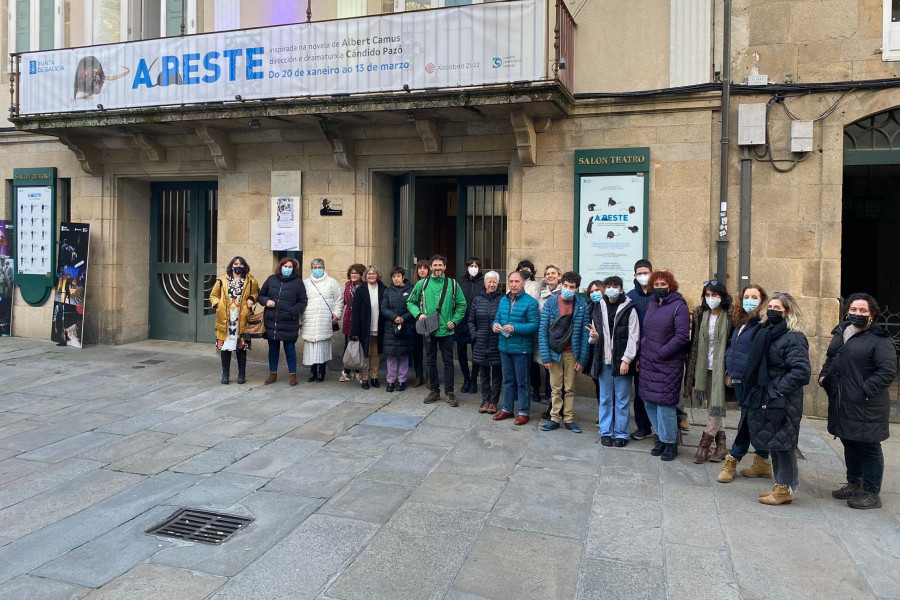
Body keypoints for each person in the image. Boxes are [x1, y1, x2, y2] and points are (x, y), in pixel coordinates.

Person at [820, 293, 897, 510]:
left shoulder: (880, 339)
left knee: (869, 447)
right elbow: (832, 357)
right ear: (847, 311)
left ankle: (872, 493)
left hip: (866, 404)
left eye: (863, 311)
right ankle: (855, 483)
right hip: (842, 401)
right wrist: (823, 376)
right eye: (853, 310)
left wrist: (862, 391)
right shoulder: (841, 332)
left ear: (872, 314)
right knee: (849, 441)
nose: (857, 314)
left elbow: (887, 371)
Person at [742, 292, 810, 506]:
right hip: (768, 394)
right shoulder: (766, 332)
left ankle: (786, 488)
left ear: (787, 312)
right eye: (770, 306)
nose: (772, 311)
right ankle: (780, 486)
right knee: (775, 441)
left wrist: (777, 390)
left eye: (777, 308)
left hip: (783, 398)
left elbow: (801, 371)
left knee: (784, 443)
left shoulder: (794, 337)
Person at [718, 285, 773, 483]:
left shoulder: (764, 323)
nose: (750, 300)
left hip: (754, 380)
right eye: (746, 296)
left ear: (762, 300)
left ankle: (734, 458)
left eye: (754, 297)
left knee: (749, 418)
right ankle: (762, 460)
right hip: (739, 377)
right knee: (753, 417)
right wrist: (729, 370)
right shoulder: (739, 321)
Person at [638, 270, 690, 461]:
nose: (660, 288)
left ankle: (670, 442)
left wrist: (663, 352)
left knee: (665, 404)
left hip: (667, 363)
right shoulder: (653, 304)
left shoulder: (679, 306)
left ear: (671, 285)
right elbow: (646, 332)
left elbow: (683, 336)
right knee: (649, 402)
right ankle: (659, 437)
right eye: (657, 285)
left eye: (663, 284)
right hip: (648, 361)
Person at [684, 280, 734, 464]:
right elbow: (695, 341)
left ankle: (704, 445)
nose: (711, 298)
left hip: (722, 366)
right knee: (711, 406)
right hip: (704, 365)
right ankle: (721, 446)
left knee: (715, 406)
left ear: (722, 296)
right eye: (708, 295)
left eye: (715, 295)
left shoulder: (731, 315)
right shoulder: (700, 313)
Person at [407, 255, 467, 406]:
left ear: (445, 267)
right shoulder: (422, 283)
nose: (438, 268)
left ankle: (449, 392)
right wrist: (419, 314)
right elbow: (410, 302)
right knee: (430, 361)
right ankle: (434, 390)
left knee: (448, 362)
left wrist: (454, 320)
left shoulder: (453, 284)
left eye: (441, 265)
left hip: (447, 330)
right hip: (429, 330)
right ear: (431, 267)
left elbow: (462, 305)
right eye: (435, 265)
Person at [587, 275, 640, 445]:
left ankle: (621, 433)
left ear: (621, 289)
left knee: (622, 400)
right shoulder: (597, 306)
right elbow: (593, 338)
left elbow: (634, 337)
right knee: (605, 398)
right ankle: (605, 431)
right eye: (608, 286)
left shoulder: (629, 308)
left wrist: (627, 360)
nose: (611, 289)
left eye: (615, 286)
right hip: (604, 361)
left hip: (622, 362)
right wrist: (593, 337)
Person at [539, 271, 591, 433]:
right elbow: (543, 330)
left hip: (571, 353)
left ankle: (568, 418)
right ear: (561, 285)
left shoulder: (582, 305)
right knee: (555, 387)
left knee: (569, 388)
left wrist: (582, 359)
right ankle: (555, 417)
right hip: (554, 352)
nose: (568, 289)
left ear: (577, 289)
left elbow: (585, 333)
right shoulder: (551, 303)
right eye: (566, 286)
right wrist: (545, 356)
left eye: (572, 287)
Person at [492, 271, 540, 425]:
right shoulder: (503, 300)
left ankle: (523, 412)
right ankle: (507, 409)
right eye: (511, 281)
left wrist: (515, 328)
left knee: (522, 382)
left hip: (521, 349)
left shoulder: (531, 302)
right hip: (504, 347)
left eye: (516, 282)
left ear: (523, 283)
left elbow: (534, 326)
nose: (513, 285)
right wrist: (495, 326)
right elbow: (497, 318)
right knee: (507, 381)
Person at [258, 257, 308, 386]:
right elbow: (261, 295)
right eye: (285, 266)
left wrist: (293, 310)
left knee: (290, 348)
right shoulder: (271, 279)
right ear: (280, 267)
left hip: (289, 321)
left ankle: (293, 375)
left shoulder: (298, 282)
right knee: (273, 348)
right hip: (272, 320)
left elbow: (303, 301)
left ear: (294, 269)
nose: (287, 269)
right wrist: (266, 301)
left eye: (290, 267)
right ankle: (272, 373)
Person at [210, 256, 260, 385]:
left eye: (241, 264)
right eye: (236, 263)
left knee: (241, 347)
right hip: (225, 318)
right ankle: (225, 374)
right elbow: (213, 295)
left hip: (242, 318)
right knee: (225, 348)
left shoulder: (250, 280)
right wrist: (217, 305)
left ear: (244, 266)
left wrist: (252, 299)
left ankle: (241, 374)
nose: (238, 266)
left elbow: (256, 293)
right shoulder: (222, 280)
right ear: (231, 265)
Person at [626, 259, 656, 439]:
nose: (643, 276)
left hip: (657, 351)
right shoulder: (630, 296)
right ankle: (643, 426)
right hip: (637, 351)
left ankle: (660, 428)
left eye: (646, 272)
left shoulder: (659, 294)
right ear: (635, 276)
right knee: (639, 392)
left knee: (657, 391)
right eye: (640, 273)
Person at [301, 258, 344, 382]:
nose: (317, 270)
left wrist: (336, 314)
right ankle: (312, 370)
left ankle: (322, 370)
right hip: (309, 318)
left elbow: (338, 299)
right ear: (311, 269)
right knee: (311, 346)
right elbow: (301, 300)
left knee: (323, 346)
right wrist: (300, 319)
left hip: (325, 319)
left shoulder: (332, 282)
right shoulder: (306, 283)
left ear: (324, 268)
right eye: (315, 268)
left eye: (320, 267)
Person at [468, 271, 503, 413]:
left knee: (496, 373)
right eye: (489, 281)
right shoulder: (477, 300)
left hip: (496, 342)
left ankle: (494, 402)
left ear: (498, 283)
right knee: (483, 373)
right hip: (480, 342)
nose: (492, 284)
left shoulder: (503, 299)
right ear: (485, 283)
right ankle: (485, 400)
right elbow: (471, 321)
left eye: (494, 282)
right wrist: (475, 336)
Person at [351, 265, 387, 390]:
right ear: (366, 276)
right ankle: (364, 377)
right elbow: (355, 312)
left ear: (378, 275)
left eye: (374, 273)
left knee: (376, 353)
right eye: (369, 274)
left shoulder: (383, 289)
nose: (371, 276)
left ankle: (374, 377)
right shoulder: (360, 290)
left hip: (379, 326)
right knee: (365, 353)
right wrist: (354, 331)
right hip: (364, 327)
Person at [535, 264, 563, 418]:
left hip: (560, 340)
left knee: (560, 378)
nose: (550, 276)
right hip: (545, 338)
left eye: (553, 273)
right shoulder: (542, 294)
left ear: (559, 275)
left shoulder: (564, 292)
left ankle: (558, 408)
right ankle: (552, 406)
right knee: (550, 373)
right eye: (547, 273)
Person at [381, 267, 415, 392]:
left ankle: (402, 381)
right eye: (394, 276)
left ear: (403, 277)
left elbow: (414, 307)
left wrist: (403, 318)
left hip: (405, 327)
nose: (396, 279)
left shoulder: (411, 290)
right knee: (391, 356)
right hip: (390, 327)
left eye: (398, 276)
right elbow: (383, 307)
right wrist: (394, 317)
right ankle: (390, 381)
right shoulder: (388, 291)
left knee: (403, 356)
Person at [456, 257, 485, 395]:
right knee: (461, 352)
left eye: (476, 265)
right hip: (461, 321)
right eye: (471, 265)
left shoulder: (484, 282)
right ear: (466, 267)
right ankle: (466, 379)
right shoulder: (460, 281)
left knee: (476, 353)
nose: (473, 267)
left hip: (477, 322)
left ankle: (474, 380)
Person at [517, 259, 544, 404]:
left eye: (528, 268)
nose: (525, 270)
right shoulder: (514, 285)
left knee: (534, 362)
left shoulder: (537, 286)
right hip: (518, 329)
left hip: (533, 327)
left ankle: (536, 389)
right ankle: (521, 389)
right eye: (522, 268)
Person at [340, 263, 366, 382]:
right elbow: (343, 301)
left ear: (361, 274)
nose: (353, 275)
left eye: (356, 273)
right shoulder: (347, 285)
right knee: (348, 345)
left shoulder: (364, 286)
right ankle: (346, 371)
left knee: (359, 345)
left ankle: (359, 371)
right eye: (352, 272)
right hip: (349, 317)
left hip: (361, 317)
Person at [411, 259, 431, 388]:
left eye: (425, 268)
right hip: (415, 321)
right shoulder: (412, 285)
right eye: (420, 268)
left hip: (429, 322)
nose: (422, 270)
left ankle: (430, 376)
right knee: (417, 350)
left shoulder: (432, 285)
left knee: (429, 349)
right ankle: (419, 375)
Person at [584, 279, 604, 402]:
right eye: (592, 291)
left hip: (604, 351)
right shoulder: (589, 306)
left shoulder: (608, 306)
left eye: (597, 290)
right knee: (597, 382)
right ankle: (602, 412)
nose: (594, 293)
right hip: (592, 349)